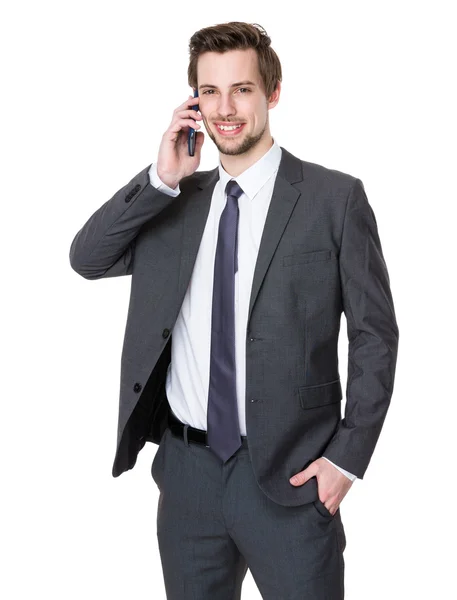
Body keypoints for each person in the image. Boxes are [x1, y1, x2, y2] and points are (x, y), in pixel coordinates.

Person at [69, 20, 399, 600]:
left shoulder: (334, 199)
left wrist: (346, 461)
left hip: (293, 480)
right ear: (194, 101)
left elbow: (375, 335)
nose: (225, 108)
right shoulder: (174, 203)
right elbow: (87, 258)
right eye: (209, 92)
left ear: (272, 93)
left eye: (242, 89)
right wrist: (161, 178)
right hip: (188, 478)